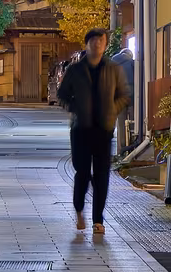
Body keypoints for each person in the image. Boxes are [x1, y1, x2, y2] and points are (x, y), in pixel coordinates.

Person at [55, 26, 130, 240]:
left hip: (104, 129)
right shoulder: (75, 70)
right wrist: (76, 108)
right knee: (82, 173)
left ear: (105, 45)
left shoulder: (113, 69)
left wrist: (112, 110)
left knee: (102, 175)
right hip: (81, 129)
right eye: (93, 41)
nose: (97, 44)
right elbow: (62, 95)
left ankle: (98, 220)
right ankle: (79, 210)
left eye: (101, 41)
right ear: (87, 44)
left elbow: (124, 95)